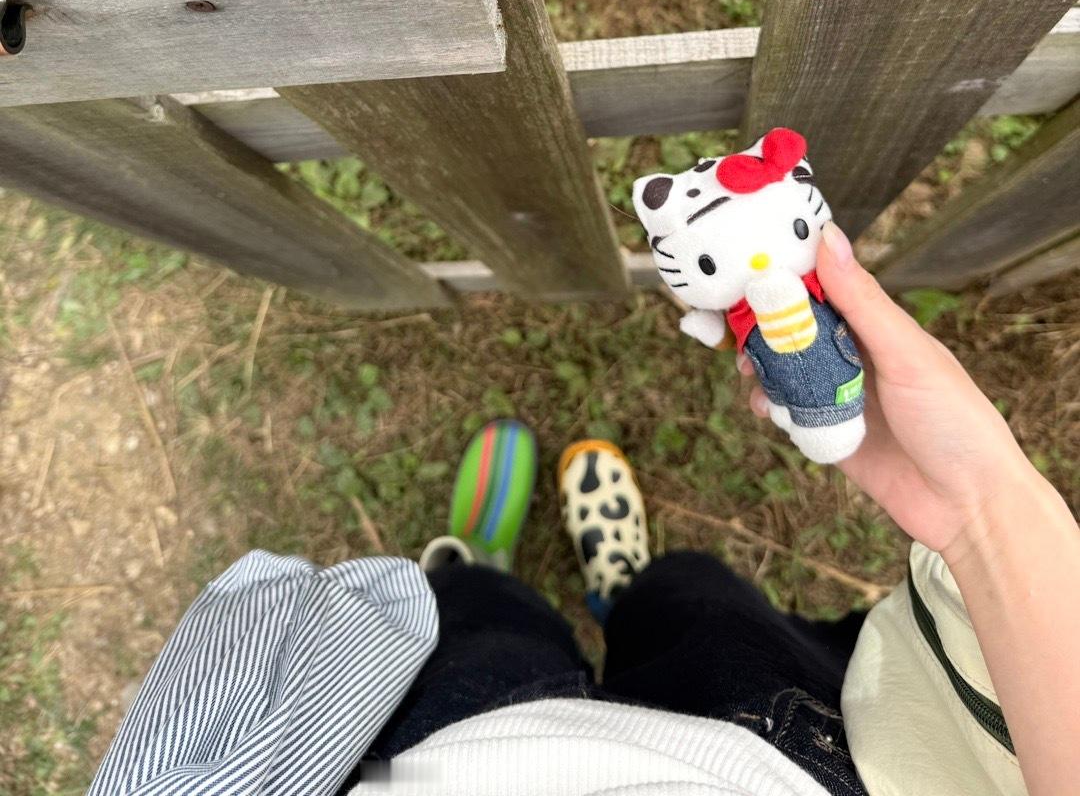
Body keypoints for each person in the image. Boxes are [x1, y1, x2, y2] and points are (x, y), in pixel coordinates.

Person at [87, 226, 1079, 796]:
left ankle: (480, 572)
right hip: (782, 752)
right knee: (693, 599)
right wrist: (983, 510)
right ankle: (623, 591)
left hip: (446, 748)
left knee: (478, 620)